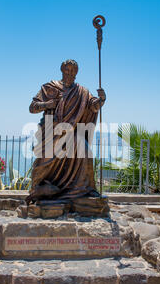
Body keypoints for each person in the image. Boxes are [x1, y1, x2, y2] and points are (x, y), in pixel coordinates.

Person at [26, 59, 106, 204]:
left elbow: (92, 106)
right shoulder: (50, 87)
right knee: (46, 159)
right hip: (52, 132)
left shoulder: (82, 92)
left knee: (84, 148)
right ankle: (38, 188)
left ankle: (84, 189)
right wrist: (47, 104)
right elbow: (32, 107)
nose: (70, 73)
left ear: (76, 73)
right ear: (62, 70)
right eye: (67, 70)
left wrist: (101, 100)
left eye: (73, 71)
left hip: (72, 132)